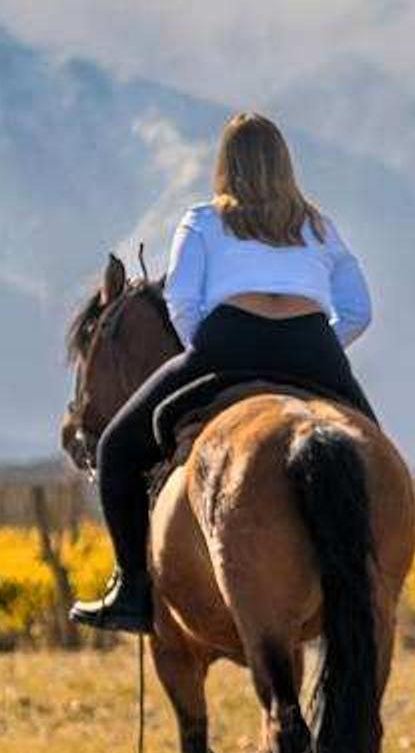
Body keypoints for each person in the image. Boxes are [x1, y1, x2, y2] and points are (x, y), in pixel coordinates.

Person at [70, 111, 377, 636]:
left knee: (117, 447)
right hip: (313, 347)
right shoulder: (318, 225)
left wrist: (209, 354)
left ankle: (134, 591)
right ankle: (373, 580)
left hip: (229, 341)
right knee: (373, 454)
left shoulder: (203, 220)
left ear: (225, 165)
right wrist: (317, 345)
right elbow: (358, 310)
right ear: (285, 163)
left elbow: (182, 303)